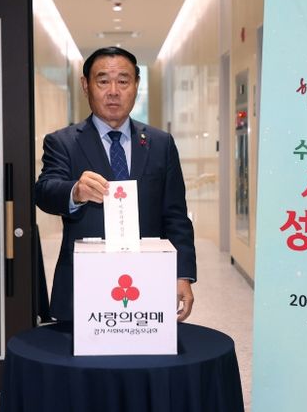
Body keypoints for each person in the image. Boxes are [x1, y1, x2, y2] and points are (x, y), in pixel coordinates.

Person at [35, 46, 196, 321]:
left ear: (136, 85)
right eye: (103, 81)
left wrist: (182, 274)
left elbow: (175, 215)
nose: (113, 91)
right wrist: (75, 191)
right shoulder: (62, 142)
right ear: (86, 85)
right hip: (83, 281)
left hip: (149, 278)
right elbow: (45, 191)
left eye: (123, 81)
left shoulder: (161, 143)